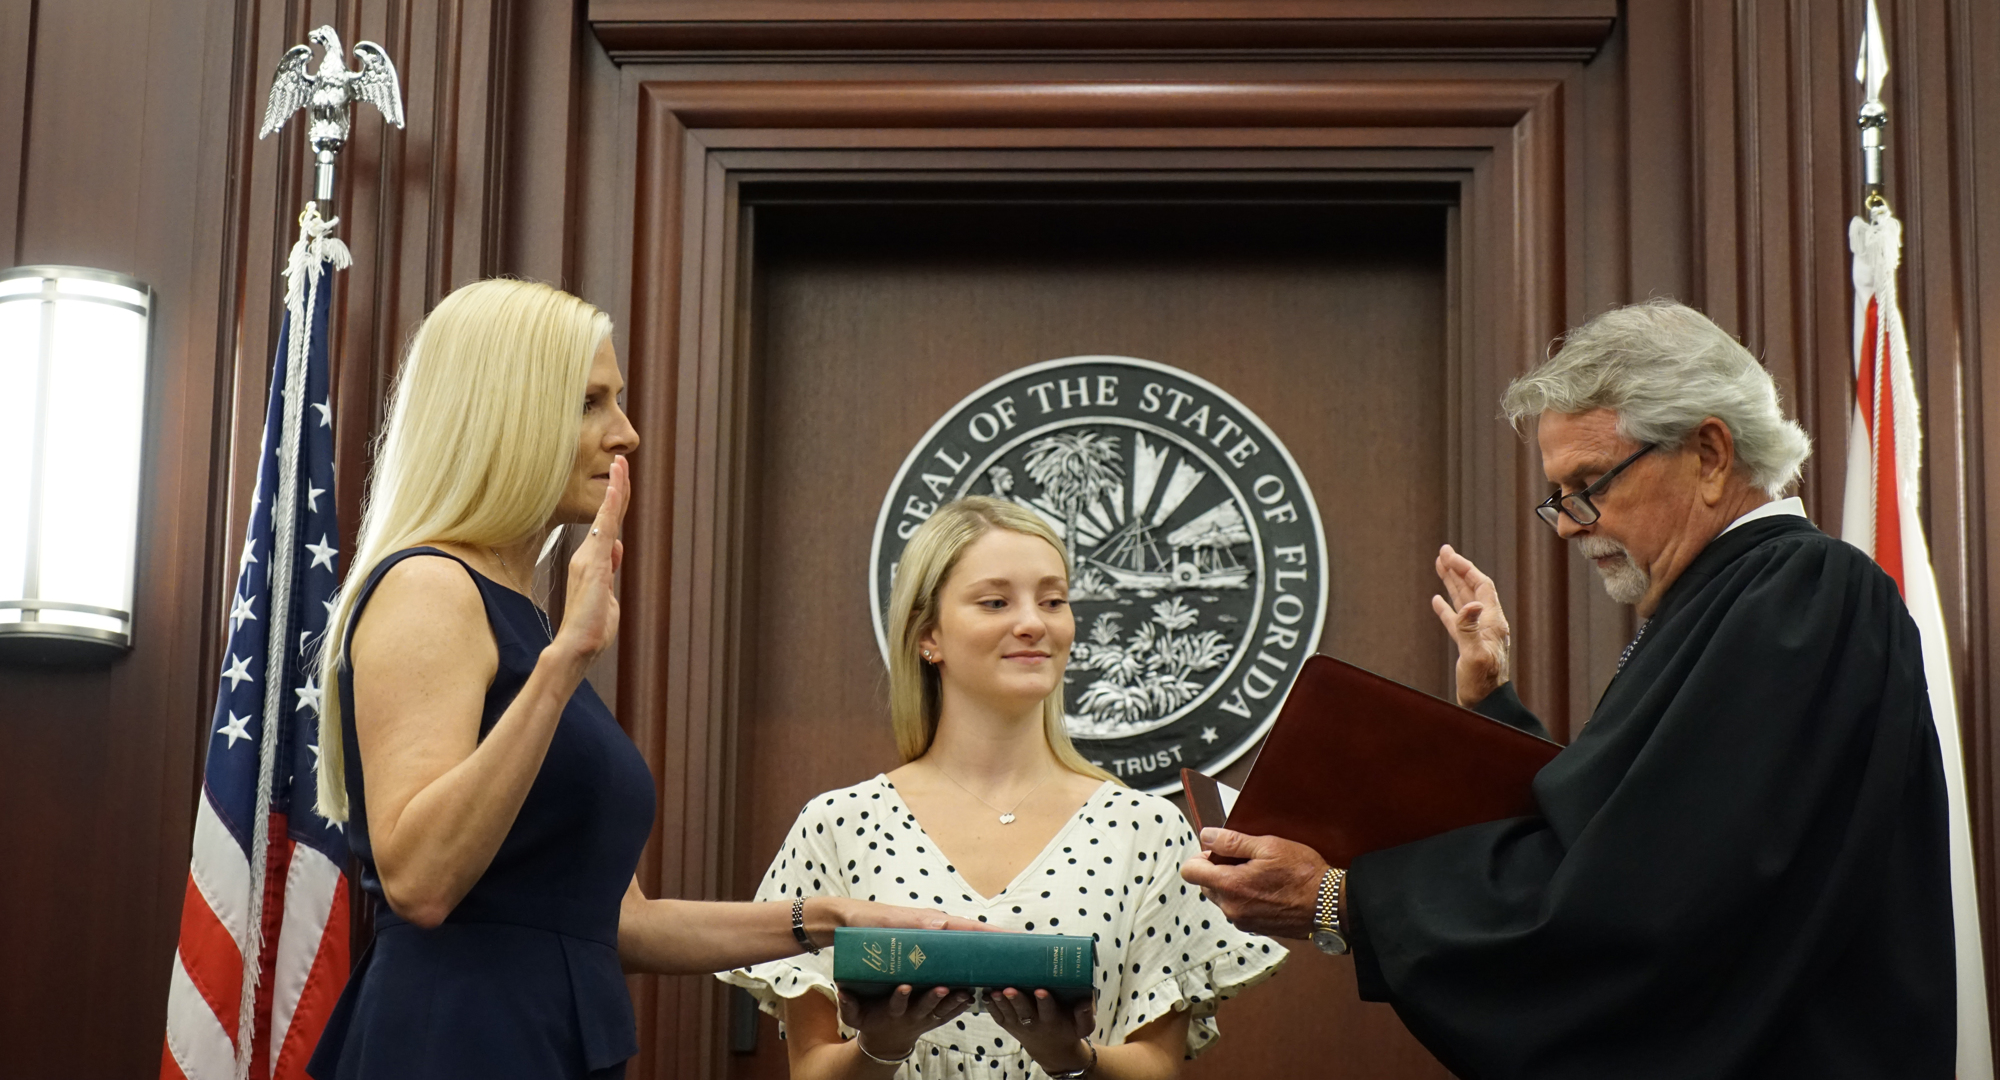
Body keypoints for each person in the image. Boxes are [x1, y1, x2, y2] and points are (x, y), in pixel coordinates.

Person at [1181, 299, 1954, 1079]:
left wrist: (1343, 899)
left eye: (1589, 483)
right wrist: (1494, 709)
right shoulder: (1733, 602)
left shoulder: (1803, 594)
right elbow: (1625, 831)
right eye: (1559, 495)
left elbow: (1647, 901)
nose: (1567, 524)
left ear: (1711, 453)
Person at [306, 280, 986, 1080]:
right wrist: (566, 661)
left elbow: (625, 921)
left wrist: (831, 920)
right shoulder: (430, 586)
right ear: (503, 411)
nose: (624, 432)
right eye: (591, 401)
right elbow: (420, 880)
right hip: (456, 1039)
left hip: (552, 1038)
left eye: (617, 400)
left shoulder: (518, 613)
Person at [721, 496, 1285, 1080]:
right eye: (996, 601)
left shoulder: (1147, 829)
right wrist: (880, 1046)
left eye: (1053, 600)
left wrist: (1073, 1057)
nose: (1034, 623)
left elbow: (1156, 1068)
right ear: (926, 636)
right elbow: (809, 1071)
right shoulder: (837, 825)